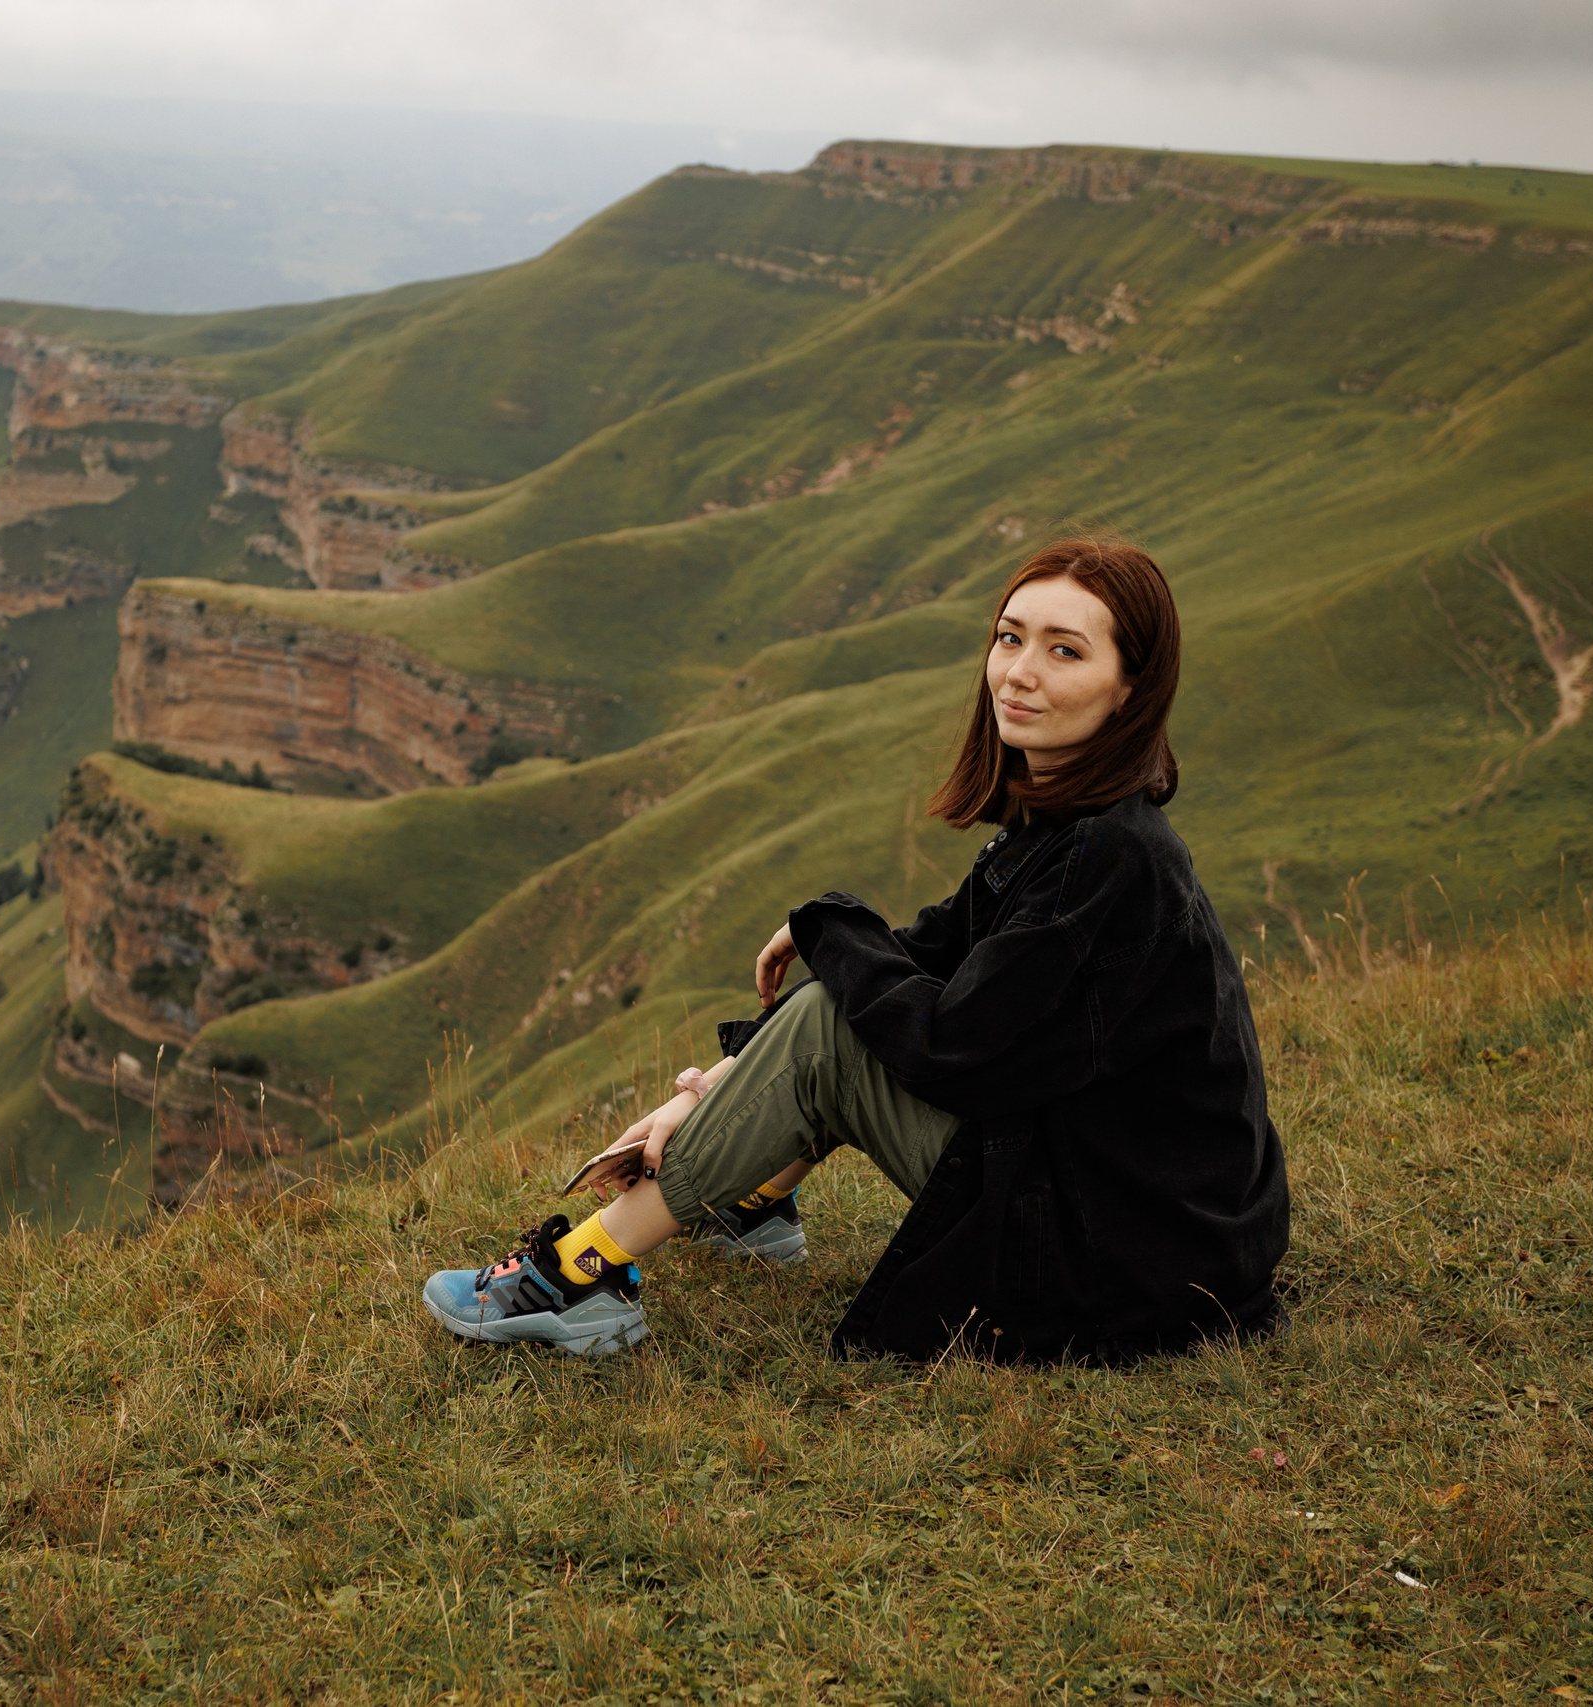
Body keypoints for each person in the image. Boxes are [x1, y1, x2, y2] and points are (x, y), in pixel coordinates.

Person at [421, 538, 1290, 1364]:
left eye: (1065, 652)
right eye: (1010, 637)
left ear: (1130, 689)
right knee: (843, 1006)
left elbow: (947, 1044)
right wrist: (725, 1079)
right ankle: (748, 1199)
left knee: (838, 1024)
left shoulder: (1113, 856)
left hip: (1136, 1255)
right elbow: (931, 954)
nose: (1018, 671)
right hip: (1146, 1216)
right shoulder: (1070, 825)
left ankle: (577, 1275)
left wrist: (821, 929)